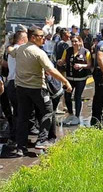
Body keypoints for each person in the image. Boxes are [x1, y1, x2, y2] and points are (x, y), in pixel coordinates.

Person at [8, 26, 72, 156]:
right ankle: (41, 141)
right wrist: (65, 82)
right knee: (48, 111)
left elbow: (10, 50)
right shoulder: (39, 53)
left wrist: (8, 45)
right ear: (33, 37)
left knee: (23, 117)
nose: (44, 38)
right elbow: (51, 70)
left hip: (21, 89)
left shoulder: (19, 49)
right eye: (41, 36)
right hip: (37, 89)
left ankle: (21, 148)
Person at [57, 35, 91, 125]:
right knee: (67, 96)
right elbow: (63, 60)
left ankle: (77, 116)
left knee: (77, 97)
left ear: (80, 42)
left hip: (81, 78)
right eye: (72, 41)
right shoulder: (67, 51)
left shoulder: (85, 52)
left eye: (76, 41)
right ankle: (70, 114)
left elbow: (89, 65)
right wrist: (60, 62)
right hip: (69, 78)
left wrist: (81, 66)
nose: (74, 43)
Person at [5, 30, 28, 148]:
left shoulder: (13, 49)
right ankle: (17, 139)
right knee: (20, 114)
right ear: (22, 40)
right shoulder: (20, 49)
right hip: (17, 84)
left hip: (11, 83)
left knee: (17, 113)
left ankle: (14, 137)